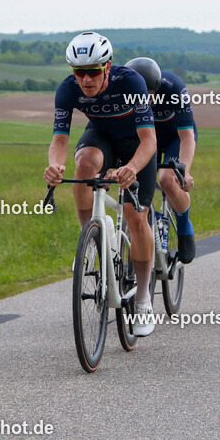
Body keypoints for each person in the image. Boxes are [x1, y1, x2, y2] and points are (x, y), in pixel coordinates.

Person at [44, 33, 158, 336]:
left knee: (136, 217)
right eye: (78, 72)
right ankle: (92, 239)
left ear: (107, 66)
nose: (85, 79)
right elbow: (59, 141)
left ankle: (144, 298)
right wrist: (55, 165)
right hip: (103, 137)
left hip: (137, 144)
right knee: (83, 164)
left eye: (93, 71)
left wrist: (132, 168)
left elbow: (149, 139)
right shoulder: (68, 90)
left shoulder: (130, 83)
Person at [124, 57, 197, 263]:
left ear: (157, 87)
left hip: (175, 137)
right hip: (146, 139)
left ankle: (184, 227)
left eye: (148, 96)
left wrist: (184, 171)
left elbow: (186, 137)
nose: (144, 100)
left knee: (168, 179)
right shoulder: (122, 92)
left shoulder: (174, 88)